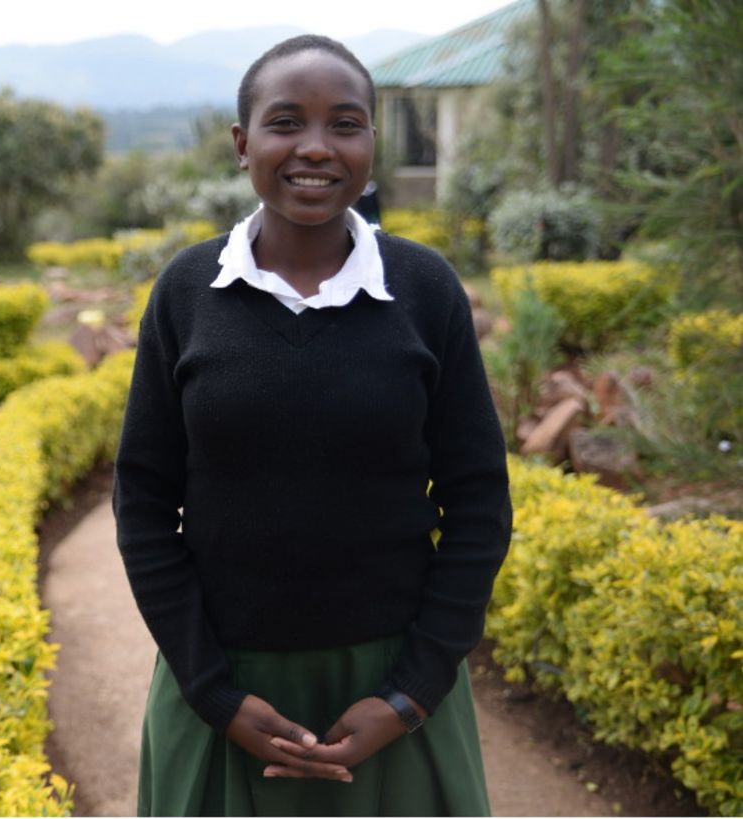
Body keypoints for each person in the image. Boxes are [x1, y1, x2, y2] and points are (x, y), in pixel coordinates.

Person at [113, 34, 512, 817]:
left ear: (373, 142)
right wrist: (214, 692)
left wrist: (412, 693)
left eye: (347, 124)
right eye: (286, 122)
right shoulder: (187, 293)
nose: (317, 149)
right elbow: (144, 503)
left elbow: (478, 504)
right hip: (226, 693)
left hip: (393, 693)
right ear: (242, 143)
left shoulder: (425, 290)